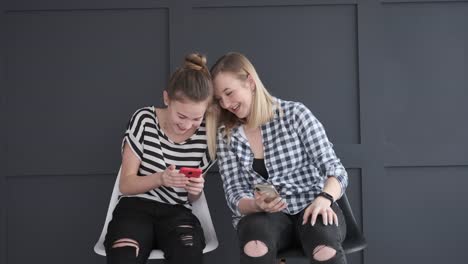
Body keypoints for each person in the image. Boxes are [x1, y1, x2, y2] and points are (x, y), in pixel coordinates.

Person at [207, 52, 348, 264]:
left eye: (229, 93)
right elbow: (234, 194)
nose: (226, 104)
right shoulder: (226, 134)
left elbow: (336, 170)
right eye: (220, 99)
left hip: (311, 205)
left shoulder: (295, 114)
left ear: (250, 82)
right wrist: (257, 205)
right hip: (265, 218)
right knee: (255, 245)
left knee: (324, 248)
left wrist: (324, 199)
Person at [105, 53, 215, 264]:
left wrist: (196, 189)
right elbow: (126, 184)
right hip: (134, 208)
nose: (187, 125)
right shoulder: (144, 119)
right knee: (124, 256)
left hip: (177, 213)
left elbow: (191, 199)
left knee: (188, 255)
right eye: (181, 116)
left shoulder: (207, 135)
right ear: (167, 99)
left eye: (196, 118)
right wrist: (161, 179)